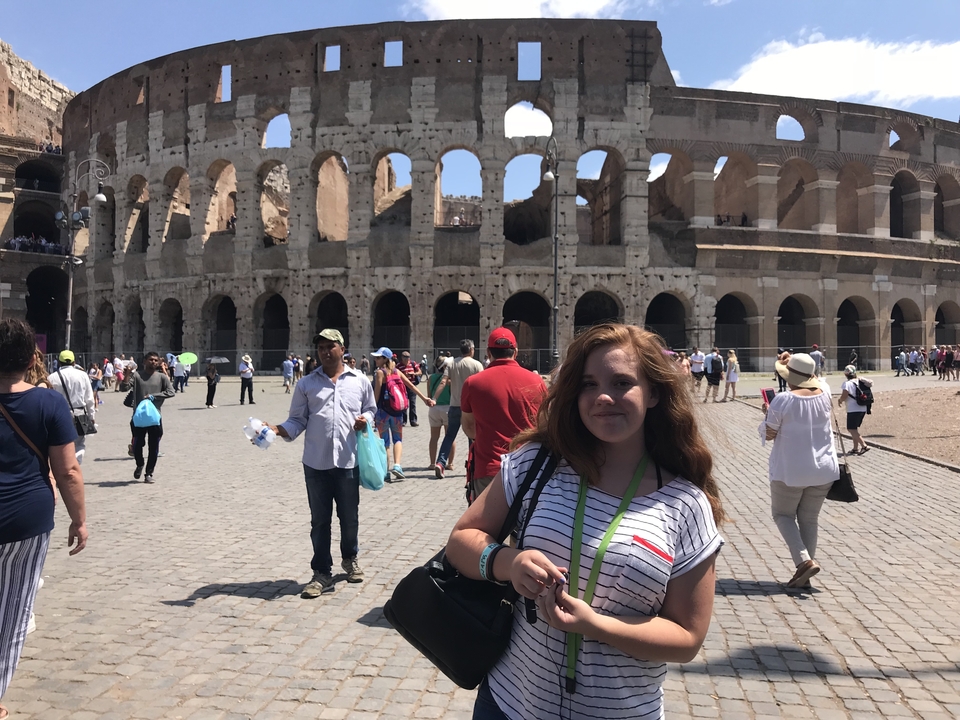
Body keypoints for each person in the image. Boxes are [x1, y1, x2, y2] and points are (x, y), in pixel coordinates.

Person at [446, 323, 724, 719]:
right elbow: (461, 540)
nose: (603, 397)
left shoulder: (685, 504)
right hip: (509, 703)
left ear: (655, 392)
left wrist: (596, 625)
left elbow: (686, 637)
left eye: (622, 382)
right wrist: (510, 563)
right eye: (589, 384)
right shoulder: (536, 463)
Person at [0, 319, 87, 720]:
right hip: (25, 520)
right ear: (32, 357)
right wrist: (79, 520)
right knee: (14, 614)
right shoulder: (48, 402)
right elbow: (68, 471)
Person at [266, 330, 376, 598]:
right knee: (320, 521)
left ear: (343, 349)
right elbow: (297, 420)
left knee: (349, 518)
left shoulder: (360, 381)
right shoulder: (306, 384)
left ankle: (350, 559)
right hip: (316, 463)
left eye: (331, 347)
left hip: (348, 460)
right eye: (321, 348)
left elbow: (372, 410)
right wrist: (277, 429)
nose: (325, 352)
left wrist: (366, 420)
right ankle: (321, 573)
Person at [762, 353, 838, 589]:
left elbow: (769, 433)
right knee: (809, 519)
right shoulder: (825, 392)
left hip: (791, 469)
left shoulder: (783, 400)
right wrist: (794, 361)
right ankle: (805, 573)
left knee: (783, 515)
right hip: (824, 469)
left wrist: (767, 410)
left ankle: (804, 562)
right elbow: (814, 376)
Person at [459, 328, 547, 503]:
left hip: (489, 468)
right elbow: (544, 424)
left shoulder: (473, 383)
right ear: (515, 351)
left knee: (487, 527)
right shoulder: (537, 381)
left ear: (488, 352)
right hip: (528, 467)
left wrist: (487, 435)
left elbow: (469, 427)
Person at [372, 347, 435, 481]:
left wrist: (371, 412)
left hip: (382, 413)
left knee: (385, 443)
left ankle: (386, 472)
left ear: (385, 359)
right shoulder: (397, 372)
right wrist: (425, 399)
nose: (375, 360)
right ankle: (397, 466)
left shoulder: (379, 373)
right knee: (398, 439)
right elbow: (411, 386)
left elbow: (376, 395)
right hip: (397, 412)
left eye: (378, 357)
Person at [431, 339, 484, 479]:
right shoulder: (477, 365)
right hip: (471, 408)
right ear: (472, 349)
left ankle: (440, 463)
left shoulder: (452, 364)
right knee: (473, 437)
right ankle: (474, 466)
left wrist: (434, 398)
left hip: (454, 405)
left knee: (449, 436)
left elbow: (443, 381)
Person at [128, 352, 175, 483]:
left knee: (153, 447)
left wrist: (155, 396)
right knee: (137, 444)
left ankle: (149, 473)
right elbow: (124, 387)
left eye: (155, 360)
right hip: (138, 417)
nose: (153, 362)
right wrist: (126, 375)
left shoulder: (162, 377)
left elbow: (171, 392)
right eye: (150, 360)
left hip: (155, 417)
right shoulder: (137, 376)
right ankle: (139, 464)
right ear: (144, 361)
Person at [48, 351, 96, 465]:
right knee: (79, 444)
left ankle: (64, 466)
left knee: (61, 444)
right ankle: (76, 465)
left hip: (59, 415)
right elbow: (89, 398)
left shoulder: (52, 378)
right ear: (74, 362)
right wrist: (92, 416)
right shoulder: (83, 375)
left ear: (59, 362)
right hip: (80, 413)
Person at [427, 355, 457, 473]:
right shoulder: (449, 380)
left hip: (434, 409)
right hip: (447, 408)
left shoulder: (431, 378)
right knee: (450, 436)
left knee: (434, 437)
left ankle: (432, 463)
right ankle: (450, 463)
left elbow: (429, 394)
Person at [838, 365, 869, 455]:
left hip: (853, 409)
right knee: (854, 429)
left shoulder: (847, 383)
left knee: (851, 429)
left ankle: (864, 446)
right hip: (862, 407)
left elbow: (845, 394)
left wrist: (840, 400)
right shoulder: (860, 382)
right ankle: (855, 448)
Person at [397, 351, 422, 426]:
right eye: (405, 358)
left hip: (412, 386)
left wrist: (414, 374)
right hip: (403, 387)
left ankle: (413, 420)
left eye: (408, 358)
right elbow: (396, 375)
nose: (406, 360)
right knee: (404, 404)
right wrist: (403, 376)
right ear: (402, 358)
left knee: (413, 403)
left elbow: (420, 372)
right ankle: (403, 421)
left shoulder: (413, 363)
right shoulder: (398, 366)